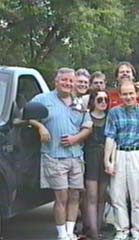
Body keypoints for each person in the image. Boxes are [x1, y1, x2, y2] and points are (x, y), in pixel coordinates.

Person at [30, 67, 92, 240]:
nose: (67, 83)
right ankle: (61, 234)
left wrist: (75, 138)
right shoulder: (43, 99)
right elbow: (26, 114)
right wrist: (40, 126)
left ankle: (70, 232)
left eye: (70, 81)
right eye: (64, 80)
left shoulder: (78, 102)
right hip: (54, 156)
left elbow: (88, 126)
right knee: (61, 196)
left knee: (74, 196)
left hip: (76, 156)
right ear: (56, 81)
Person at [104, 81, 139, 240]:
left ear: (137, 94)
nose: (128, 97)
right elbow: (110, 137)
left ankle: (137, 231)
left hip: (138, 155)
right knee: (117, 196)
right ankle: (122, 230)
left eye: (131, 93)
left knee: (138, 197)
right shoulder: (114, 113)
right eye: (125, 94)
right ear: (119, 95)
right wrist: (108, 160)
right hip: (120, 153)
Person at [83, 90, 109, 239]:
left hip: (105, 158)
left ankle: (98, 228)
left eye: (106, 99)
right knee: (91, 196)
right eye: (99, 100)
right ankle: (92, 231)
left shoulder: (110, 117)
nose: (103, 102)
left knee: (102, 196)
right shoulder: (86, 117)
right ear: (92, 101)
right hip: (90, 158)